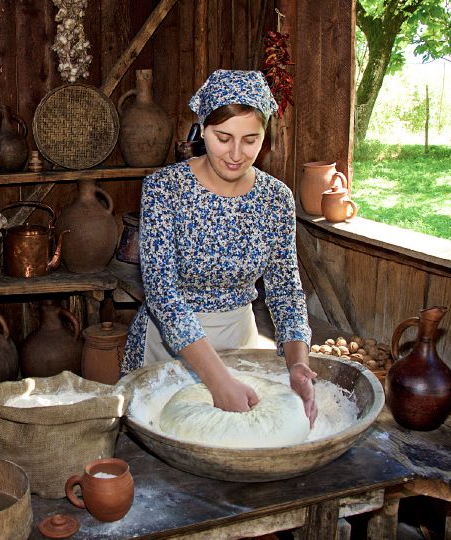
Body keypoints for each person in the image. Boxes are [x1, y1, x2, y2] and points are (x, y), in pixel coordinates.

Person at [121, 69, 318, 425]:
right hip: (167, 349)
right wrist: (218, 380)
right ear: (202, 128)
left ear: (265, 136)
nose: (236, 154)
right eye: (223, 137)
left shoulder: (275, 199)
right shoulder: (165, 189)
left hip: (239, 342)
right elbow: (163, 293)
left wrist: (298, 363)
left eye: (251, 139)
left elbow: (286, 292)